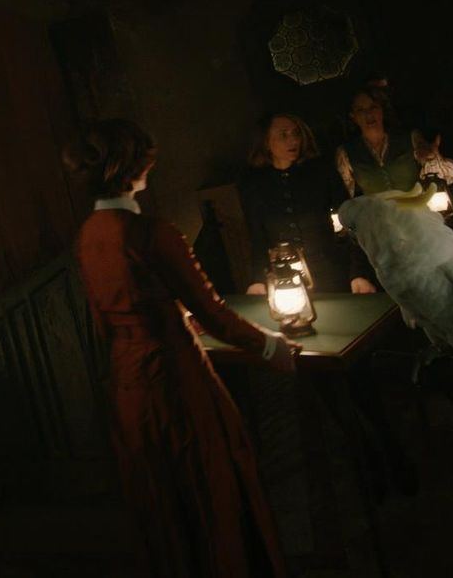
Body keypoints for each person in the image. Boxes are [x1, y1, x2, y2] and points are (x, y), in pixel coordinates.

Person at [67, 119, 296, 578]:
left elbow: (115, 313)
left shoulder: (88, 234)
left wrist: (169, 316)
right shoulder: (150, 232)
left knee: (164, 502)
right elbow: (212, 313)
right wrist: (271, 348)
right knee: (209, 489)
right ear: (134, 166)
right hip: (177, 383)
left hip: (128, 388)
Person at [237, 113, 376, 296]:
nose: (293, 140)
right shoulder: (254, 183)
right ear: (266, 142)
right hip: (285, 278)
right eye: (283, 135)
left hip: (331, 273)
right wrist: (258, 279)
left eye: (296, 133)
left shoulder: (321, 171)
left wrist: (358, 273)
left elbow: (353, 221)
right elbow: (257, 236)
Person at [336, 89, 453, 197]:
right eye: (360, 110)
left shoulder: (409, 138)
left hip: (416, 213)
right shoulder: (346, 152)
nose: (369, 114)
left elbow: (445, 178)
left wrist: (432, 158)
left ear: (381, 110)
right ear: (353, 116)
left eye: (373, 107)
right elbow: (348, 195)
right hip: (379, 219)